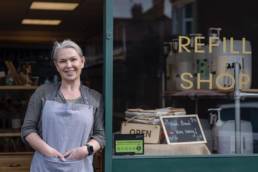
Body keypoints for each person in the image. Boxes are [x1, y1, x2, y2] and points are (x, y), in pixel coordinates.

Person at [21, 39, 105, 172]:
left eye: (73, 59)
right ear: (56, 65)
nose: (69, 65)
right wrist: (48, 151)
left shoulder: (95, 98)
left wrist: (86, 150)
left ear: (82, 61)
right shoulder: (42, 93)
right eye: (63, 61)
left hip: (80, 166)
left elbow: (100, 135)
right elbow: (27, 130)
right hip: (45, 166)